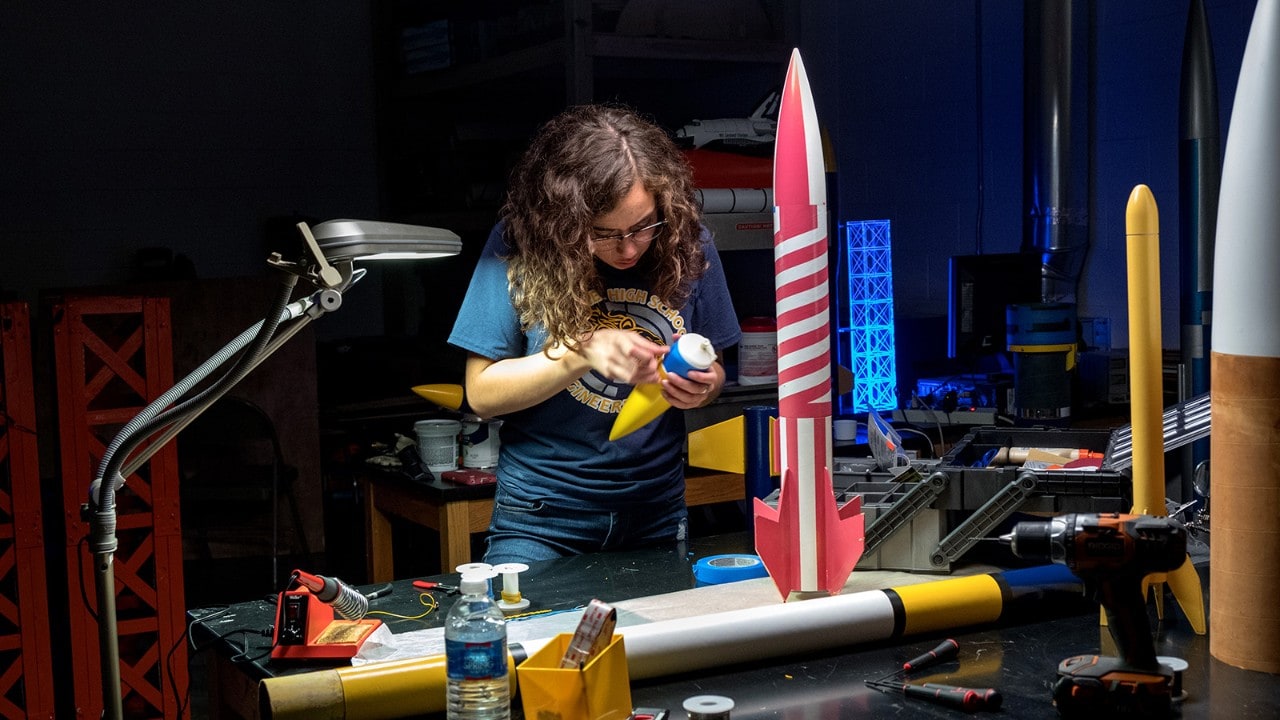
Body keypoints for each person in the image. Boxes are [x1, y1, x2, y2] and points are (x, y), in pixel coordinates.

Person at [448, 104, 741, 565]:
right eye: (603, 233)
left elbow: (716, 368)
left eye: (643, 226)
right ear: (563, 219)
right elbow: (482, 394)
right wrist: (581, 351)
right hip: (543, 515)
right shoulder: (519, 243)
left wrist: (704, 388)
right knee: (526, 634)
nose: (627, 248)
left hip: (656, 509)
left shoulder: (688, 241)